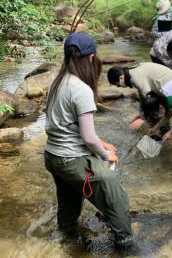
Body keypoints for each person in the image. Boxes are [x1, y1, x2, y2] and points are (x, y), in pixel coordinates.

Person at [44, 32, 134, 247]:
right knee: (115, 196)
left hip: (53, 156)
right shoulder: (81, 89)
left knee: (69, 202)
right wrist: (106, 154)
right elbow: (87, 138)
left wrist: (101, 142)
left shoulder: (57, 82)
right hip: (72, 159)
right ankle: (126, 244)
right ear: (92, 57)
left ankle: (67, 241)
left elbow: (64, 124)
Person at [107, 63, 172, 135]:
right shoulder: (132, 72)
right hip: (170, 84)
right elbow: (142, 96)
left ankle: (165, 136)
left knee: (158, 112)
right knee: (153, 114)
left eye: (118, 85)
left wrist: (142, 117)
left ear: (121, 77)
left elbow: (149, 99)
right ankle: (158, 132)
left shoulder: (136, 78)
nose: (118, 86)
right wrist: (141, 113)